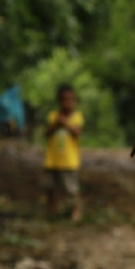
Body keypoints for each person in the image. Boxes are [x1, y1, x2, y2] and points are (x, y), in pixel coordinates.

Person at [43, 83, 84, 221]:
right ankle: (51, 210)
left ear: (74, 101)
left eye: (70, 100)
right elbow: (47, 133)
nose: (67, 103)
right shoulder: (53, 116)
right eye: (64, 100)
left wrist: (66, 123)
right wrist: (56, 123)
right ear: (59, 101)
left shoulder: (77, 117)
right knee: (50, 186)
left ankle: (76, 210)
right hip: (53, 159)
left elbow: (77, 132)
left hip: (69, 160)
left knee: (72, 188)